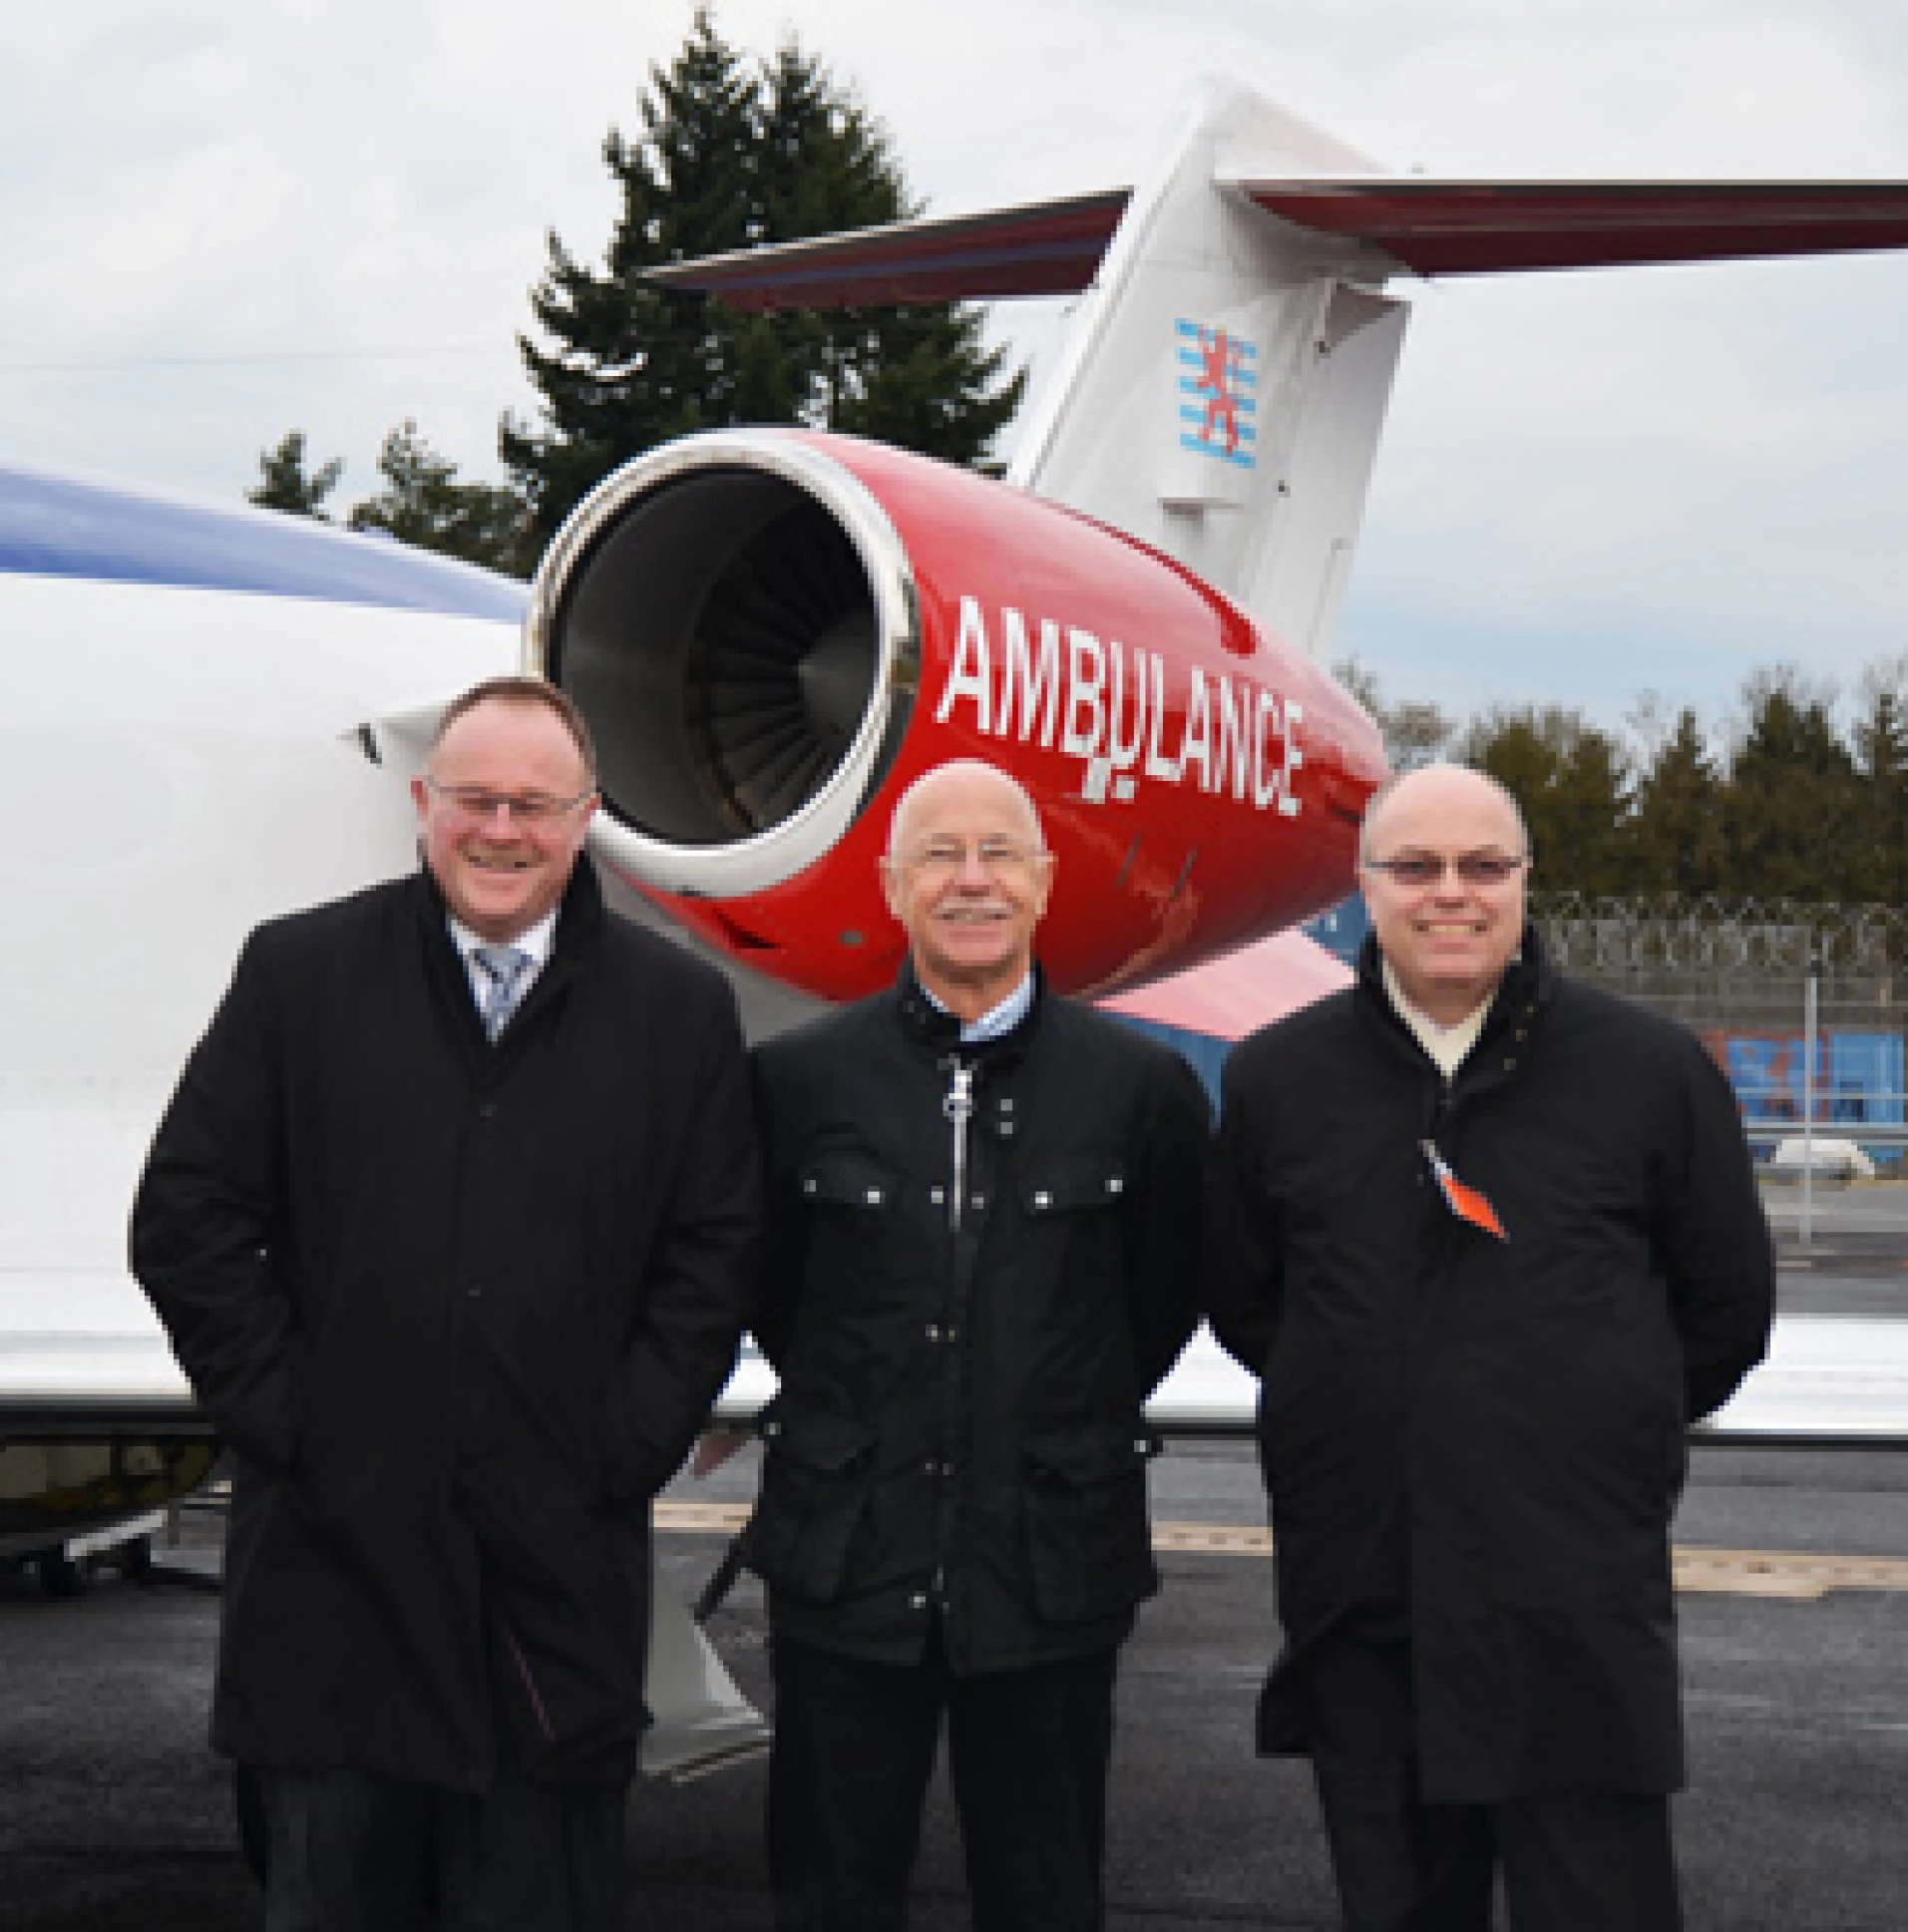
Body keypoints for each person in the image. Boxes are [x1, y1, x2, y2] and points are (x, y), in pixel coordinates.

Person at [130, 675, 761, 1931]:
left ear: (586, 817)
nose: (501, 829)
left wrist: (624, 1443)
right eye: (475, 798)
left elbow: (718, 1251)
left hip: (552, 1594)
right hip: (336, 1582)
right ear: (425, 801)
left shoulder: (676, 1009)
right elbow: (188, 1214)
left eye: (535, 803)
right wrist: (295, 1421)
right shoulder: (300, 972)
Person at [1206, 762, 1775, 1932]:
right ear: (1366, 884)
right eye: (1415, 866)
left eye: (1483, 865)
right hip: (1366, 1596)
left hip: (1572, 1599)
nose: (1450, 893)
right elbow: (1251, 1301)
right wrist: (1371, 1403)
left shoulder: (1651, 1071)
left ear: (1524, 881)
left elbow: (1725, 1310)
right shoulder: (1277, 1077)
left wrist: (1598, 1422)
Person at [744, 757, 1211, 1932]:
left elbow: (1154, 1304)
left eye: (999, 852)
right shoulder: (795, 1082)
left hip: (1049, 1574)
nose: (971, 879)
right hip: (847, 1567)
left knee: (1044, 1892)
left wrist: (1047, 1415)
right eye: (940, 855)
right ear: (892, 884)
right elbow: (776, 1293)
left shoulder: (1141, 1089)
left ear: (1043, 882)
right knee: (830, 1893)